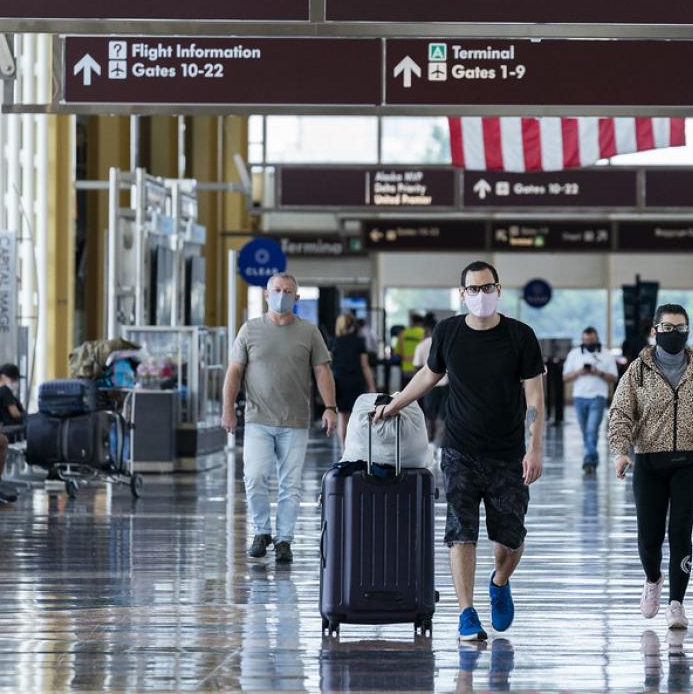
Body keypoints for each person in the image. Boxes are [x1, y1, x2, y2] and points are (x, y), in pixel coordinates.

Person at [373, 261, 545, 643]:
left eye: (488, 288)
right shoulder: (448, 332)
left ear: (499, 290)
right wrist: (394, 405)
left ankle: (500, 581)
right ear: (463, 294)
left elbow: (534, 397)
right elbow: (428, 374)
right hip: (459, 450)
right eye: (474, 289)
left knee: (511, 538)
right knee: (460, 532)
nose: (481, 295)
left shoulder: (520, 336)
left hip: (508, 453)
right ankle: (466, 613)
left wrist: (534, 448)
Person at [609, 304, 693, 630]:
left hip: (688, 463)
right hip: (649, 463)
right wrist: (620, 452)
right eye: (667, 328)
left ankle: (676, 604)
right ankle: (653, 578)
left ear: (687, 331)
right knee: (649, 537)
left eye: (680, 328)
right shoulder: (638, 371)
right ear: (655, 331)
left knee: (680, 532)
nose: (673, 334)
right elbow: (620, 413)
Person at [222, 273, 338, 565]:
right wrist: (227, 408)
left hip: (295, 421)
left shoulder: (309, 332)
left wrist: (330, 407)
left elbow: (322, 371)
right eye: (276, 290)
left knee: (291, 485)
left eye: (288, 291)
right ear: (266, 294)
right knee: (254, 477)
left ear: (296, 298)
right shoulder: (250, 330)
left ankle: (284, 539)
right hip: (257, 419)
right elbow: (234, 371)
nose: (281, 295)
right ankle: (261, 531)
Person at [562, 327, 618, 474]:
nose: (588, 343)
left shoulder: (606, 354)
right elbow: (565, 377)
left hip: (598, 397)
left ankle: (589, 460)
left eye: (591, 340)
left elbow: (614, 378)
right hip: (579, 397)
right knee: (585, 432)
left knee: (592, 430)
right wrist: (579, 372)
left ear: (597, 339)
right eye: (585, 340)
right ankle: (592, 457)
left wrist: (598, 373)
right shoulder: (574, 354)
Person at [332, 314, 376, 447]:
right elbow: (364, 365)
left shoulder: (333, 342)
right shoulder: (359, 341)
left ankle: (343, 448)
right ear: (353, 326)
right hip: (356, 381)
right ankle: (355, 448)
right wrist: (372, 386)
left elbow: (328, 365)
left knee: (342, 415)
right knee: (356, 415)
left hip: (339, 382)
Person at [411, 315, 449, 443]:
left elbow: (417, 367)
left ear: (426, 330)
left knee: (430, 415)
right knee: (444, 415)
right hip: (446, 384)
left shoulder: (421, 346)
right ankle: (441, 442)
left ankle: (430, 440)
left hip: (428, 385)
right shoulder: (445, 344)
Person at [398, 314, 426, 389]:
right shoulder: (424, 333)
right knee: (418, 392)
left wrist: (406, 358)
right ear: (421, 323)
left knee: (404, 392)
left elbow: (397, 352)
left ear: (412, 322)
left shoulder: (403, 333)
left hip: (405, 369)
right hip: (419, 369)